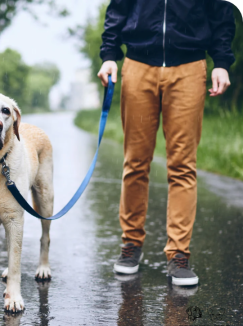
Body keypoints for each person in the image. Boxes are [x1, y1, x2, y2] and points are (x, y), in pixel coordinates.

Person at [98, 0, 235, 286]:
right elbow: (118, 9)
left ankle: (179, 255)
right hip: (137, 66)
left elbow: (221, 11)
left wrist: (221, 61)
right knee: (135, 162)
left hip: (189, 66)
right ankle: (131, 245)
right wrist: (109, 54)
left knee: (183, 166)